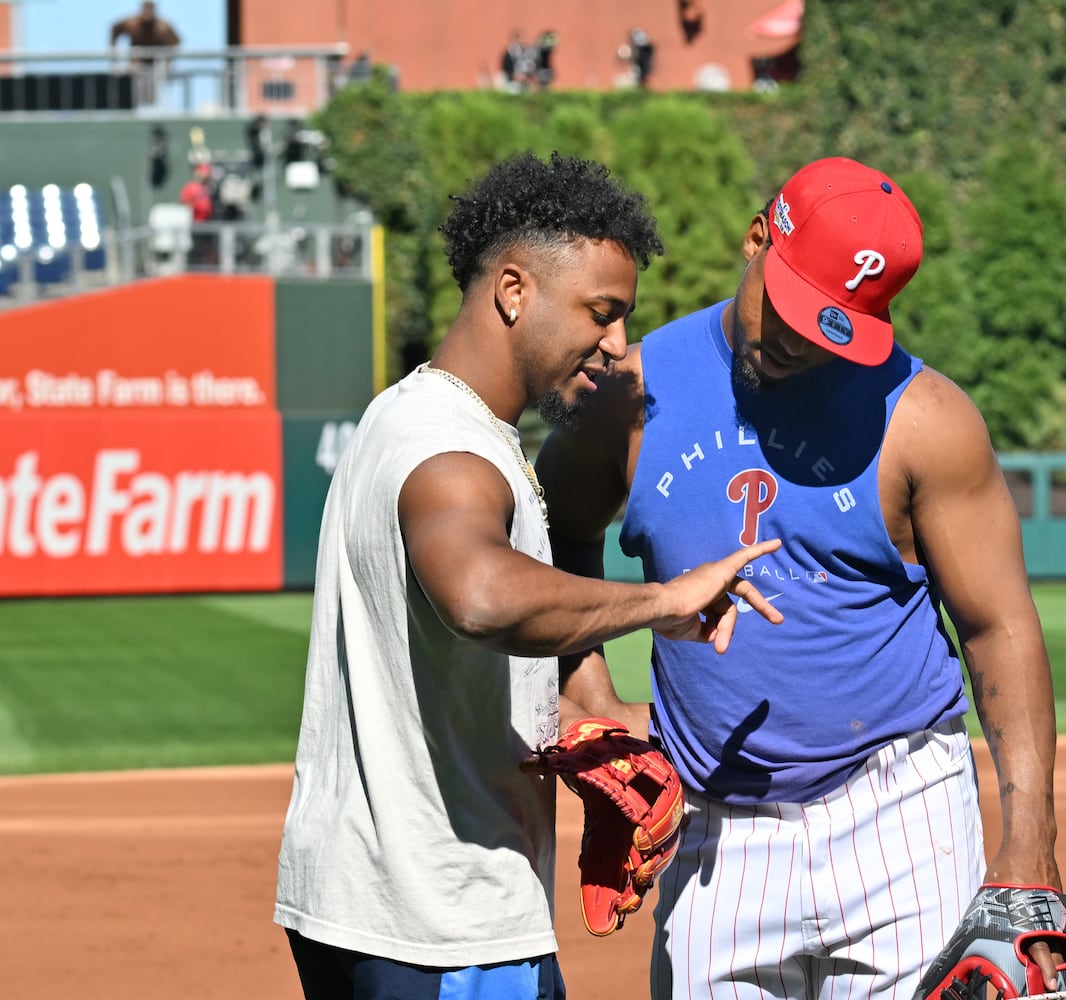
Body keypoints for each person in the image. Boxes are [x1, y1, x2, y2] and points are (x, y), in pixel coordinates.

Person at [535, 156, 1066, 999]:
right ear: (756, 241)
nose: (796, 343)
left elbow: (999, 625)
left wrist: (1030, 853)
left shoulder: (926, 417)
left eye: (833, 327)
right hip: (716, 828)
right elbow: (553, 527)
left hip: (904, 812)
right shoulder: (635, 391)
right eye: (787, 310)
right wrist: (590, 689)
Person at [272, 150, 784, 1000]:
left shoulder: (402, 416)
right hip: (443, 924)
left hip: (366, 909)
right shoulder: (453, 448)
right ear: (514, 291)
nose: (616, 344)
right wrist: (662, 601)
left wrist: (595, 716)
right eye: (600, 312)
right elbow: (480, 597)